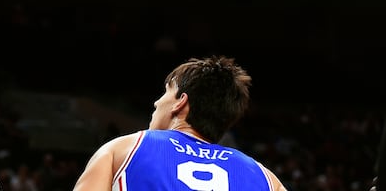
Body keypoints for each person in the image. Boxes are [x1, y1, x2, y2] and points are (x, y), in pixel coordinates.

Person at [73, 55, 286, 191]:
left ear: (180, 102)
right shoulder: (266, 179)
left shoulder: (121, 151)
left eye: (166, 92)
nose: (157, 102)